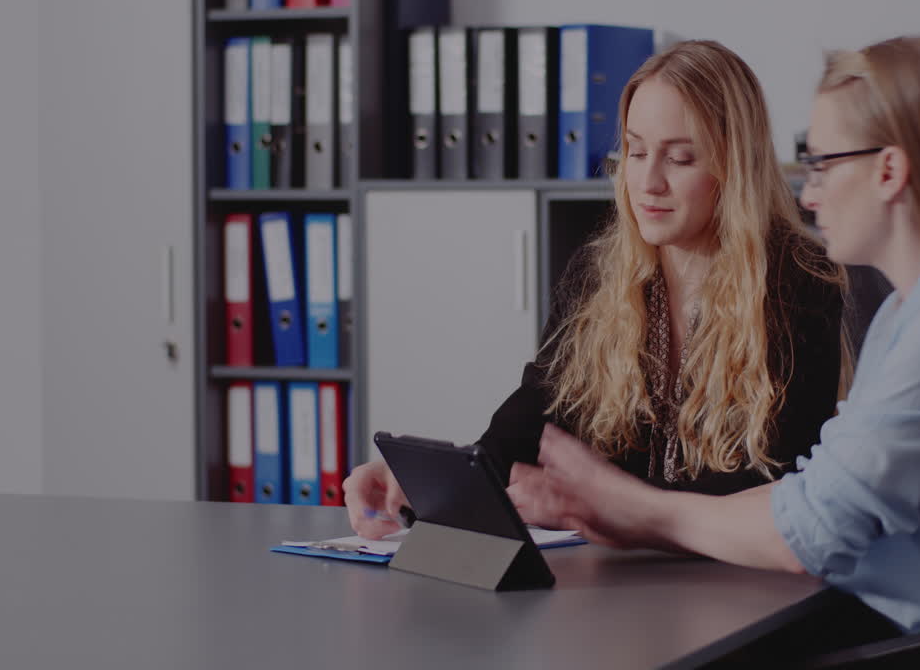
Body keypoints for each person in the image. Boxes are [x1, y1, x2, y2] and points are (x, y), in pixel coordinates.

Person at [507, 35, 920, 669]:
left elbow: (808, 534)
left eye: (821, 165)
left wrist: (629, 507)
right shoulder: (912, 312)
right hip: (895, 624)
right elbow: (810, 493)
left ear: (888, 171)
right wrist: (613, 505)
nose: (808, 196)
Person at [344, 39, 848, 541]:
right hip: (618, 584)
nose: (647, 181)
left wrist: (592, 502)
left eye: (679, 158)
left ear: (733, 167)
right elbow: (527, 425)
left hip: (742, 582)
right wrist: (424, 485)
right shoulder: (600, 273)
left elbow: (773, 484)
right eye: (636, 150)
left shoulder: (798, 280)